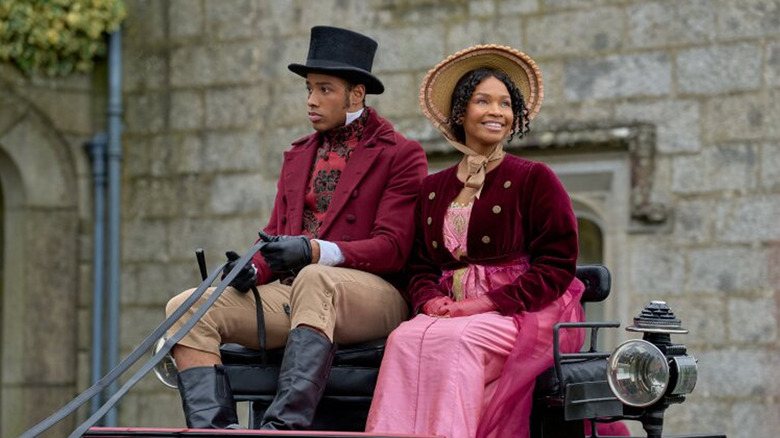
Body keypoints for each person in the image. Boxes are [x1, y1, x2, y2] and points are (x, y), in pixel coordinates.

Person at [165, 26, 428, 431]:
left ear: (356, 94)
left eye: (324, 89)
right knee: (187, 307)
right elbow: (274, 233)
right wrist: (254, 267)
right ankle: (214, 429)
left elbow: (392, 248)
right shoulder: (297, 155)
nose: (311, 100)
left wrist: (314, 251)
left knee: (315, 278)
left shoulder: (401, 154)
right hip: (300, 296)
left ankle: (285, 426)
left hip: (374, 297)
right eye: (308, 88)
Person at [365, 45, 595, 438]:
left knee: (461, 340)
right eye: (483, 101)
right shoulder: (433, 188)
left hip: (522, 312)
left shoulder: (534, 178)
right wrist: (427, 300)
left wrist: (484, 303)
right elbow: (418, 265)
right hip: (448, 311)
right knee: (402, 339)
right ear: (460, 112)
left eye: (506, 104)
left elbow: (557, 265)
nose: (497, 112)